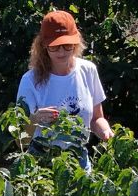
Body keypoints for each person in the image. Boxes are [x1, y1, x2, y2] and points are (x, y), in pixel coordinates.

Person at [16, 10, 114, 170]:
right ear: (44, 45)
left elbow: (96, 118)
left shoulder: (88, 71)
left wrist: (106, 132)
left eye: (67, 45)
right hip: (42, 162)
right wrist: (35, 119)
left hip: (79, 159)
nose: (61, 52)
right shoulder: (30, 80)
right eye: (54, 47)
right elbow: (21, 139)